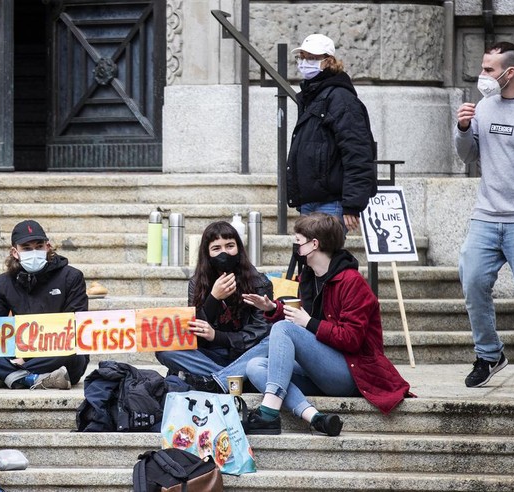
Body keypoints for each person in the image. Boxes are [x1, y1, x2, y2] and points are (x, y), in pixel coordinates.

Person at [242, 213, 411, 436]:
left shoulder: (352, 282)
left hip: (352, 371)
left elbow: (351, 340)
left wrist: (308, 322)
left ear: (315, 244)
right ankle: (314, 416)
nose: (295, 247)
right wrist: (273, 309)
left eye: (298, 241)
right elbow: (304, 323)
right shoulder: (309, 277)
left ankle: (268, 414)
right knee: (255, 366)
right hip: (322, 369)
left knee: (282, 329)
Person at [454, 41, 514, 388]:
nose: (482, 75)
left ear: (509, 72)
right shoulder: (484, 106)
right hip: (485, 214)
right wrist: (464, 128)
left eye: (489, 70)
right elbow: (468, 158)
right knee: (472, 282)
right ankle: (489, 354)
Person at [0, 220, 89, 389]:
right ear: (15, 252)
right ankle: (33, 379)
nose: (34, 252)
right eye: (26, 248)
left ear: (48, 247)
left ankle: (2, 376)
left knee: (73, 354)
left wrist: (25, 359)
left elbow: (76, 327)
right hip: (20, 352)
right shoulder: (4, 282)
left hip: (57, 352)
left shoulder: (72, 277)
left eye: (39, 246)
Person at [154, 221, 272, 393]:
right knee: (164, 349)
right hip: (209, 357)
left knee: (274, 337)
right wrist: (213, 298)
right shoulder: (197, 283)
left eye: (230, 246)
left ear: (239, 248)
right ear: (207, 254)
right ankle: (234, 379)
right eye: (216, 248)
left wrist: (217, 336)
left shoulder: (259, 282)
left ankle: (217, 380)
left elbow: (259, 332)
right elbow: (194, 334)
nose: (224, 253)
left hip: (246, 355)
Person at [287, 34, 376, 232]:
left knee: (325, 260)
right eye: (302, 57)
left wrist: (352, 204)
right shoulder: (313, 95)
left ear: (328, 61)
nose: (304, 63)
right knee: (312, 260)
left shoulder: (340, 98)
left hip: (331, 202)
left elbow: (358, 152)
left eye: (311, 58)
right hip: (311, 200)